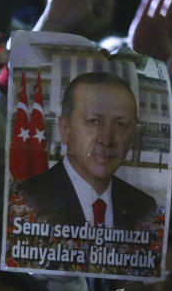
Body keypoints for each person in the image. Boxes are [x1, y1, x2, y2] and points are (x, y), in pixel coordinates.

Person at [16, 71, 159, 230]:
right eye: (93, 121)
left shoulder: (145, 207)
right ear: (65, 129)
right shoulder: (26, 199)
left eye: (121, 125)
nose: (106, 139)